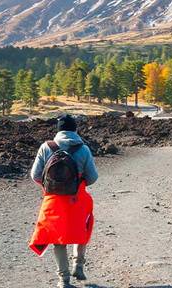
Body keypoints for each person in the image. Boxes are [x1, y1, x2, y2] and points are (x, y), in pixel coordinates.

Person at [29, 114, 99, 288]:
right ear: (75, 129)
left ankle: (63, 280)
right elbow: (92, 177)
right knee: (81, 229)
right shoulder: (83, 149)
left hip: (53, 200)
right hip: (77, 198)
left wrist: (50, 187)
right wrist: (77, 183)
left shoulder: (46, 147)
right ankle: (78, 265)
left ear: (58, 130)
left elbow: (35, 175)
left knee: (57, 237)